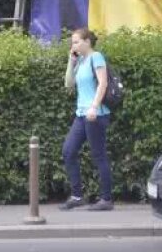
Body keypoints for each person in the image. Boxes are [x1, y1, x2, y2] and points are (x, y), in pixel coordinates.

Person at [60, 28, 113, 212]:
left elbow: (103, 83)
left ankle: (106, 199)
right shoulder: (80, 60)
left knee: (98, 155)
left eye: (76, 42)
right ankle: (77, 196)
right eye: (72, 42)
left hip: (95, 115)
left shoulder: (96, 57)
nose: (73, 45)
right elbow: (68, 84)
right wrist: (71, 60)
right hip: (81, 115)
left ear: (87, 42)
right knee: (68, 151)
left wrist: (94, 107)